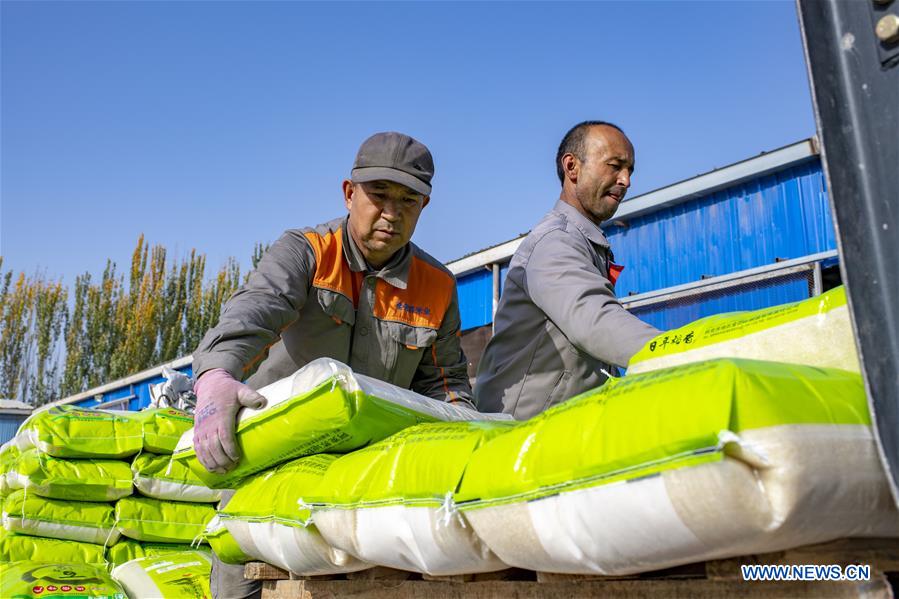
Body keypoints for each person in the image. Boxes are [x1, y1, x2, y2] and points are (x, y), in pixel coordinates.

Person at [191, 131, 472, 598]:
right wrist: (217, 373)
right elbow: (254, 312)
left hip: (360, 475)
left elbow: (445, 385)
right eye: (379, 195)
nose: (391, 212)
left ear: (424, 207)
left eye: (409, 200)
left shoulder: (436, 286)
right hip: (268, 459)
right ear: (349, 193)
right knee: (241, 581)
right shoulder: (306, 252)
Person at [474, 121, 661, 420]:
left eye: (630, 170)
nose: (626, 180)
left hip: (562, 429)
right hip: (522, 437)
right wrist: (687, 349)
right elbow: (596, 323)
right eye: (615, 166)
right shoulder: (555, 242)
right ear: (572, 167)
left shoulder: (586, 243)